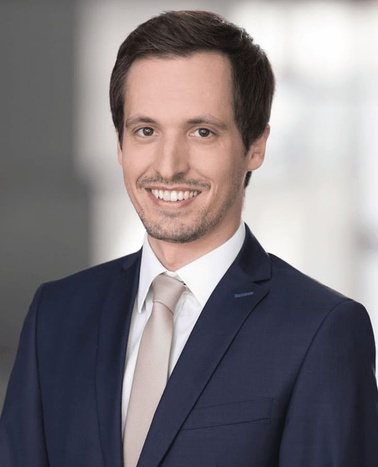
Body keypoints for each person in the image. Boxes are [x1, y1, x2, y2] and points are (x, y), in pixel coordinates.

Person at [1, 10, 377, 467]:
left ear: (255, 145)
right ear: (120, 145)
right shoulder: (55, 316)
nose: (169, 165)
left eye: (202, 131)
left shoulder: (322, 332)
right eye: (146, 131)